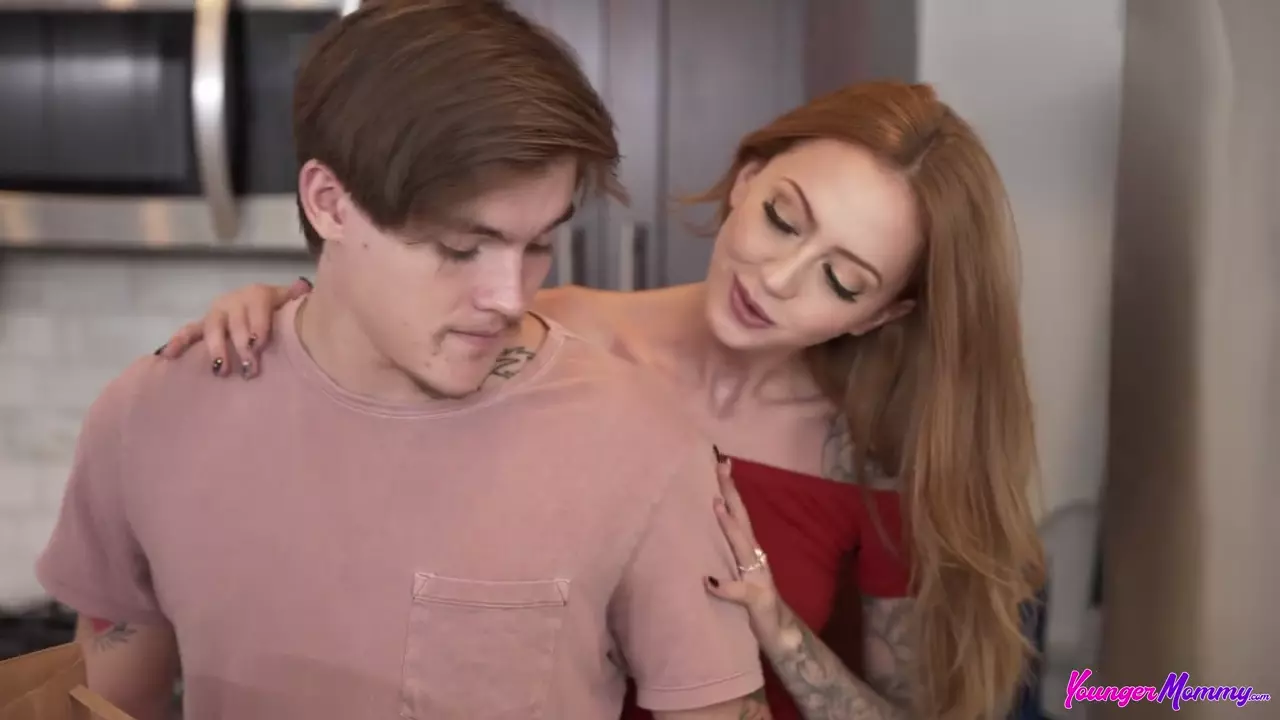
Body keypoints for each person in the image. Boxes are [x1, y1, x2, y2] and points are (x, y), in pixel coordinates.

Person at [161, 79, 1048, 720]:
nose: (776, 278)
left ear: (880, 314)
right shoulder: (547, 335)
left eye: (840, 279)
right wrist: (288, 314)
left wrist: (779, 629)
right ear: (746, 178)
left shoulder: (868, 458)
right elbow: (364, 430)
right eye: (783, 218)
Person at [36, 2, 772, 718]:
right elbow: (105, 701)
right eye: (461, 247)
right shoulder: (151, 416)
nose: (510, 296)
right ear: (329, 203)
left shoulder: (641, 445)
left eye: (539, 244)